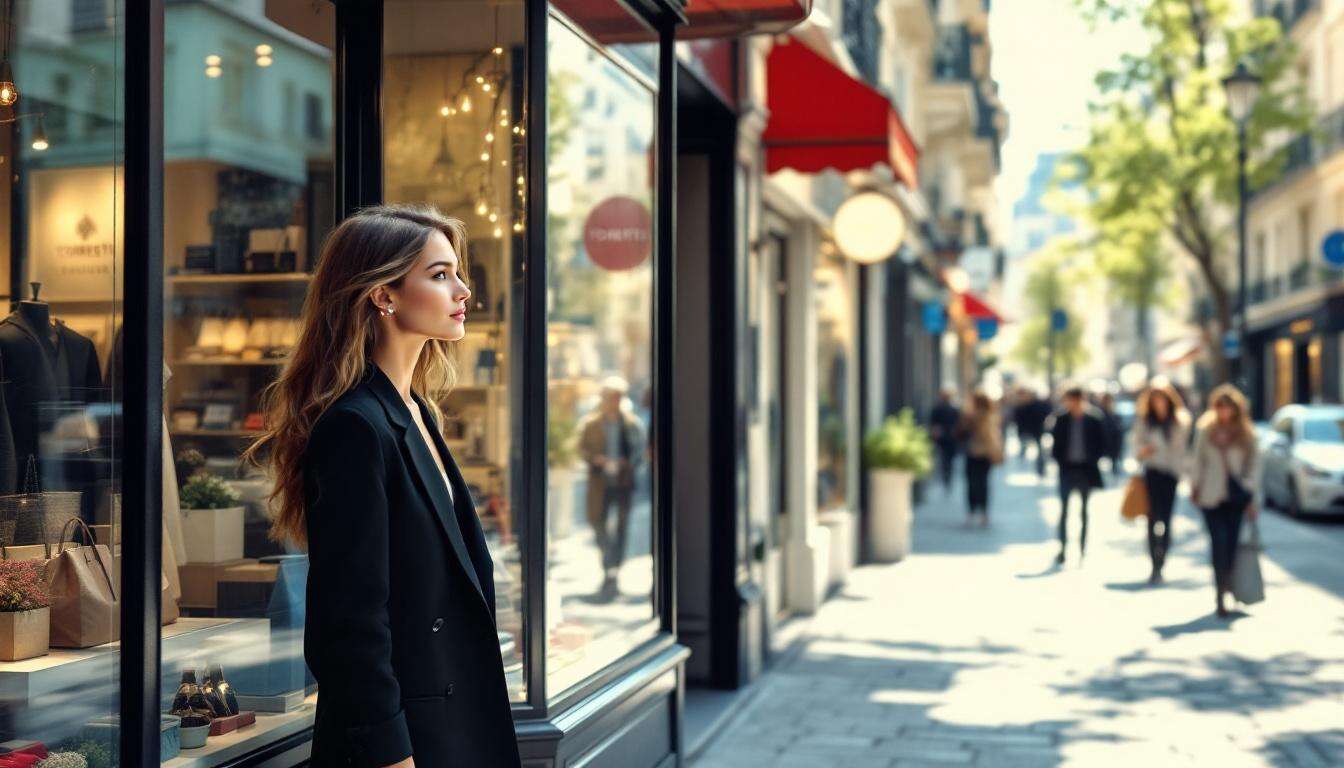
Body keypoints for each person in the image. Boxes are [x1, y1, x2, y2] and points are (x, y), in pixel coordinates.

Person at [243, 206, 522, 768]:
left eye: (456, 273)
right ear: (383, 295)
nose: (463, 290)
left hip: (455, 720)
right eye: (440, 275)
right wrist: (391, 754)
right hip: (404, 744)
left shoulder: (416, 412)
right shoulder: (355, 426)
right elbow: (348, 623)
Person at [1190, 384, 1260, 618]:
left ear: (1235, 409)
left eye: (1227, 407)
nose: (1223, 412)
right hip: (1211, 495)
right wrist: (1194, 485)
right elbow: (1197, 459)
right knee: (1217, 543)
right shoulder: (1205, 430)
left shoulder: (1246, 433)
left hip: (1236, 498)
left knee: (1230, 546)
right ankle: (1219, 593)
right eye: (1219, 407)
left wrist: (1250, 494)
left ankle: (1228, 580)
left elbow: (1254, 467)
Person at [578, 376, 647, 602]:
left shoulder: (632, 424)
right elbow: (582, 450)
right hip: (599, 483)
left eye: (617, 397)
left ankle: (613, 570)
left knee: (622, 527)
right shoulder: (591, 424)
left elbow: (639, 452)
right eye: (609, 397)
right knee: (598, 523)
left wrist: (628, 463)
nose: (613, 402)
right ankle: (609, 563)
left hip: (623, 483)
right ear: (603, 399)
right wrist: (596, 459)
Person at [1132, 381, 1189, 584]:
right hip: (1152, 473)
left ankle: (1162, 559)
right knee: (1151, 519)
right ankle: (1153, 564)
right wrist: (1144, 450)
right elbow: (1136, 447)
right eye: (1155, 398)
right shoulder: (1145, 421)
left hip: (1171, 475)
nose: (1159, 402)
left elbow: (1182, 450)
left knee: (1166, 519)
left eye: (1162, 398)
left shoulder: (1179, 421)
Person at [1049, 386, 1107, 564]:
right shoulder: (1061, 419)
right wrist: (1060, 461)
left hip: (1086, 470)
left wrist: (1093, 459)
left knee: (1084, 511)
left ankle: (1082, 547)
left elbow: (1102, 443)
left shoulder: (1094, 418)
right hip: (1067, 470)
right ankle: (1063, 548)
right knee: (1064, 511)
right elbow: (1055, 445)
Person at [955, 391, 1002, 527]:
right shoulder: (992, 416)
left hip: (973, 453)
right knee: (984, 483)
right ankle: (983, 514)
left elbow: (960, 433)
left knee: (972, 483)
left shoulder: (971, 416)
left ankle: (971, 513)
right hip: (986, 453)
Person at [928, 390, 961, 494]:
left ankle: (946, 477)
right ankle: (947, 477)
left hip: (946, 437)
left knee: (945, 459)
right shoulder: (951, 409)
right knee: (947, 459)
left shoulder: (948, 409)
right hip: (947, 437)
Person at [1099, 392, 1126, 479]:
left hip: (1114, 440)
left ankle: (1115, 468)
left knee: (1114, 457)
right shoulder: (1100, 414)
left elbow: (1119, 427)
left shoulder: (1115, 414)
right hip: (1105, 440)